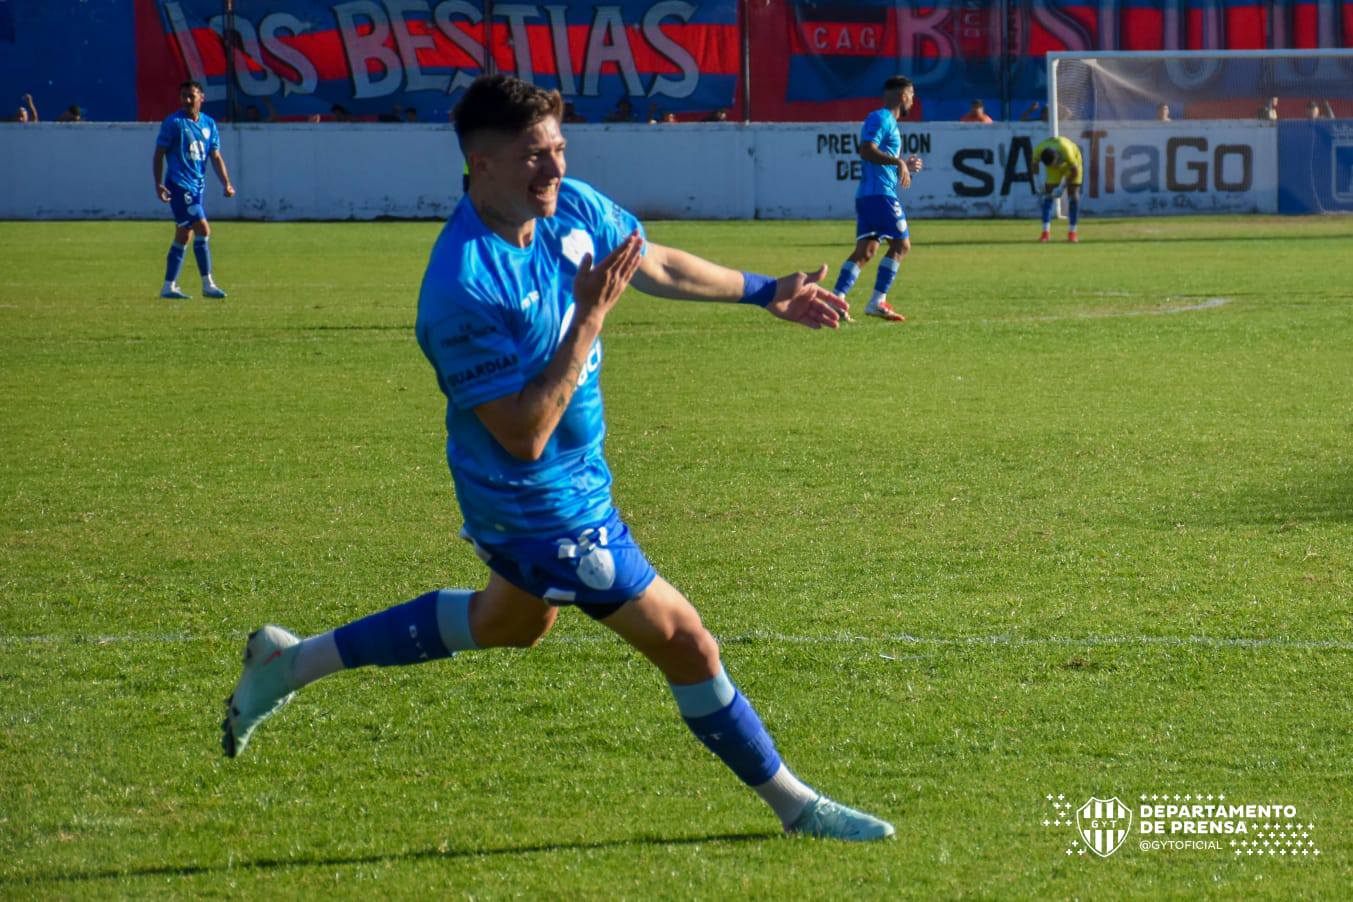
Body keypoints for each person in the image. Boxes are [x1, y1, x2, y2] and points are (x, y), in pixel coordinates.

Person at [220, 74, 893, 843]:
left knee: (508, 623)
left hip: (574, 482)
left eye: (559, 149)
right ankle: (794, 807)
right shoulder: (461, 286)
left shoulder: (569, 207)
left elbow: (656, 263)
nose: (554, 170)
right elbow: (522, 434)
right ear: (481, 164)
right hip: (534, 503)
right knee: (685, 640)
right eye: (533, 156)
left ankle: (288, 664)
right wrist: (588, 319)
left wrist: (766, 290)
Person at [830, 75, 924, 323]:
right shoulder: (880, 118)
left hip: (869, 196)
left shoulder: (890, 123)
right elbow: (866, 149)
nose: (913, 101)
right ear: (903, 95)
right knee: (901, 246)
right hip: (880, 196)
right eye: (912, 95)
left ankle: (835, 301)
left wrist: (904, 166)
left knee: (866, 250)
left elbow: (877, 157)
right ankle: (877, 301)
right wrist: (898, 161)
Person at [152, 80, 234, 299]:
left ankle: (168, 286)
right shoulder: (174, 123)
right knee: (203, 229)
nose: (187, 100)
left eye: (191, 96)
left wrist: (226, 182)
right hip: (179, 186)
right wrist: (158, 183)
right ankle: (208, 284)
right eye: (183, 96)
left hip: (197, 188)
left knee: (183, 235)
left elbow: (215, 156)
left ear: (202, 98)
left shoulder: (209, 124)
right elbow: (159, 153)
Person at [1033, 135, 1083, 243]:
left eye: (1054, 164)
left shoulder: (1067, 151)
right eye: (1050, 166)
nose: (1054, 167)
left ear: (1057, 157)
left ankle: (1072, 233)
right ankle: (1045, 233)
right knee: (1048, 196)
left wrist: (1062, 187)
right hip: (1056, 166)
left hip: (1072, 165)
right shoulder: (1038, 150)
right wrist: (1037, 182)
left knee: (1073, 197)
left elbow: (1075, 171)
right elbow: (1034, 164)